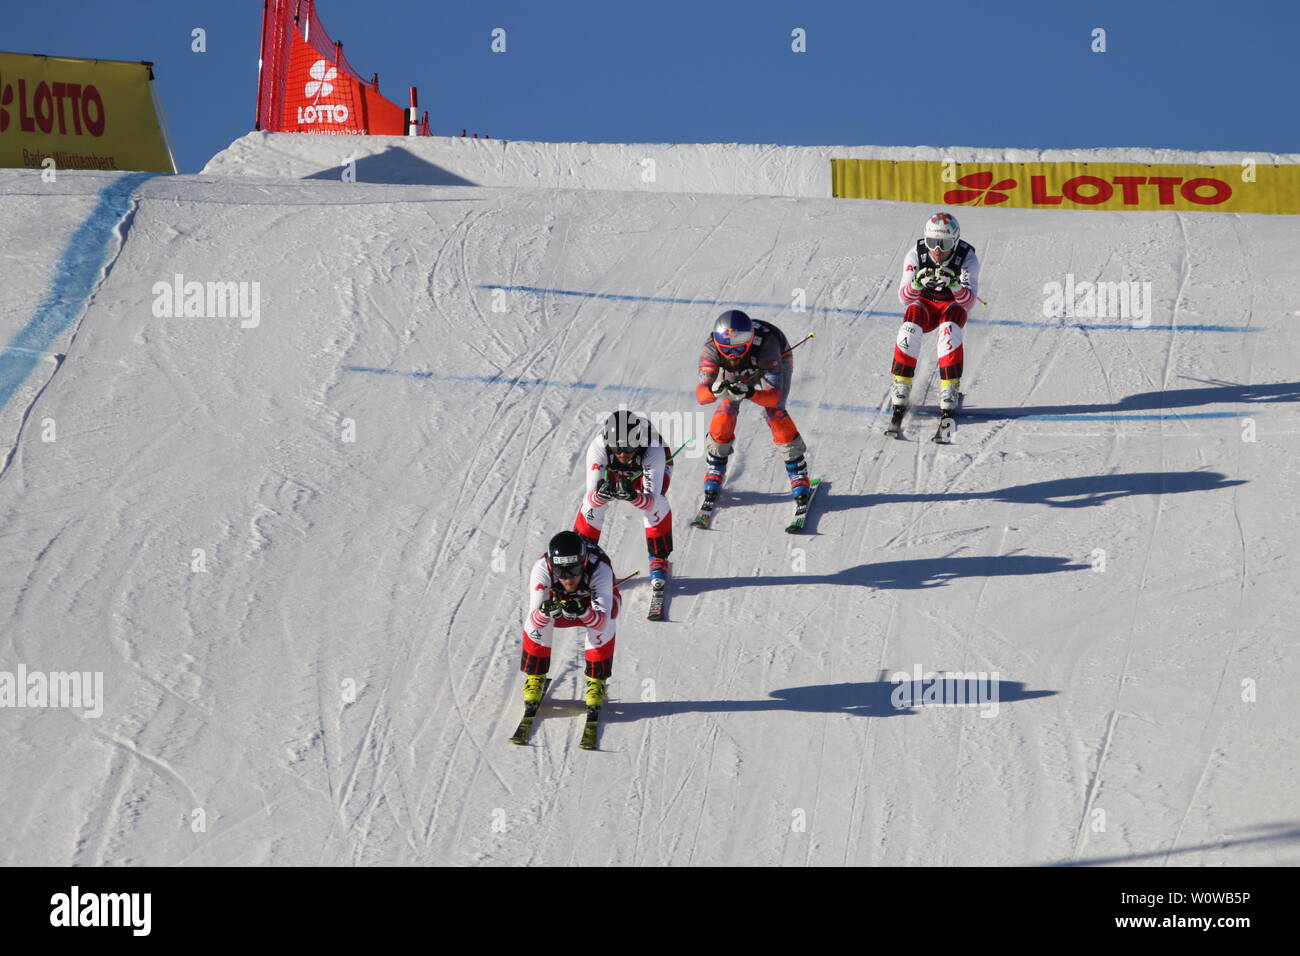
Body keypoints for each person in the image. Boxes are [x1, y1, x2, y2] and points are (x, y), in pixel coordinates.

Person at [695, 310, 809, 500]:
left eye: (739, 349)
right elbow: (701, 396)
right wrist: (714, 391)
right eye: (726, 349)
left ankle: (797, 471)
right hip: (739, 371)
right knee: (726, 408)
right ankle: (715, 465)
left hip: (772, 359)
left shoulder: (767, 346)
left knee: (775, 412)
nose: (732, 356)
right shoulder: (710, 348)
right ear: (717, 344)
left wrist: (750, 392)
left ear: (749, 343)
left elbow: (773, 397)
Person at [889, 212, 980, 418]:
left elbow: (969, 302)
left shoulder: (967, 257)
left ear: (955, 243)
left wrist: (956, 285)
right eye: (932, 242)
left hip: (952, 306)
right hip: (926, 305)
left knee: (949, 331)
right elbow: (903, 298)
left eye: (945, 244)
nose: (937, 251)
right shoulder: (916, 254)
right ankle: (901, 382)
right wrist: (916, 283)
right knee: (909, 327)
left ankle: (950, 386)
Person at [519, 531, 619, 708]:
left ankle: (596, 680)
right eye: (560, 571)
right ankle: (535, 677)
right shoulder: (541, 568)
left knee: (607, 622)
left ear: (584, 563)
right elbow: (533, 619)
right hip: (559, 602)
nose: (567, 578)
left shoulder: (600, 568)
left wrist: (583, 612)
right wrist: (544, 612)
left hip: (591, 605)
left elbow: (602, 620)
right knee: (537, 623)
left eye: (573, 570)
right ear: (552, 566)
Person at [573, 410, 672, 586]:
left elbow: (652, 500)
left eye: (628, 447)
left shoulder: (653, 447)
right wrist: (600, 496)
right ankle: (581, 560)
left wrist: (634, 497)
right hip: (614, 471)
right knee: (593, 506)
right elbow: (590, 497)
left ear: (638, 441)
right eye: (617, 448)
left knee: (658, 504)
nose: (623, 454)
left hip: (647, 469)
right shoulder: (598, 447)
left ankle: (658, 558)